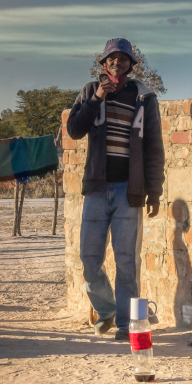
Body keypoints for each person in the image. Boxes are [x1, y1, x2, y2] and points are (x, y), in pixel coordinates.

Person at [64, 37, 164, 339]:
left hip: (128, 191)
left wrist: (154, 191)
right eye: (111, 59)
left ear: (131, 65)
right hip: (96, 188)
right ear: (103, 64)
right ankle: (106, 310)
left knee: (126, 261)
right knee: (89, 258)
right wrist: (96, 99)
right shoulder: (89, 91)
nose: (117, 63)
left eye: (123, 59)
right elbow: (74, 130)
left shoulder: (144, 97)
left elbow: (153, 147)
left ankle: (125, 324)